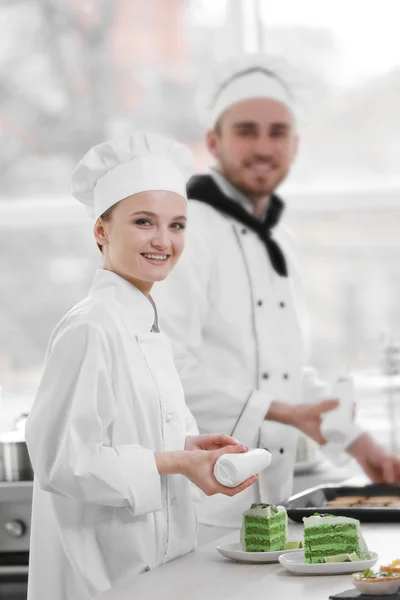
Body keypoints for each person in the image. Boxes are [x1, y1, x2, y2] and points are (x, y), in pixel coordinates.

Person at [153, 55, 400, 535]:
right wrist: (284, 411)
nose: (263, 147)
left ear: (295, 146)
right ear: (213, 142)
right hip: (200, 499)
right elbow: (165, 365)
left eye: (277, 132)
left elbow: (283, 372)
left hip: (270, 499)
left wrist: (359, 442)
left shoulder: (278, 240)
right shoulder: (184, 228)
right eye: (246, 130)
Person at [24, 131, 257, 600]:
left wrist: (188, 446)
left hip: (160, 570)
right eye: (144, 222)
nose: (163, 241)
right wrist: (177, 461)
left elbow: (125, 437)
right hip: (104, 575)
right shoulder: (91, 327)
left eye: (177, 225)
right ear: (101, 230)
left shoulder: (146, 323)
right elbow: (63, 462)